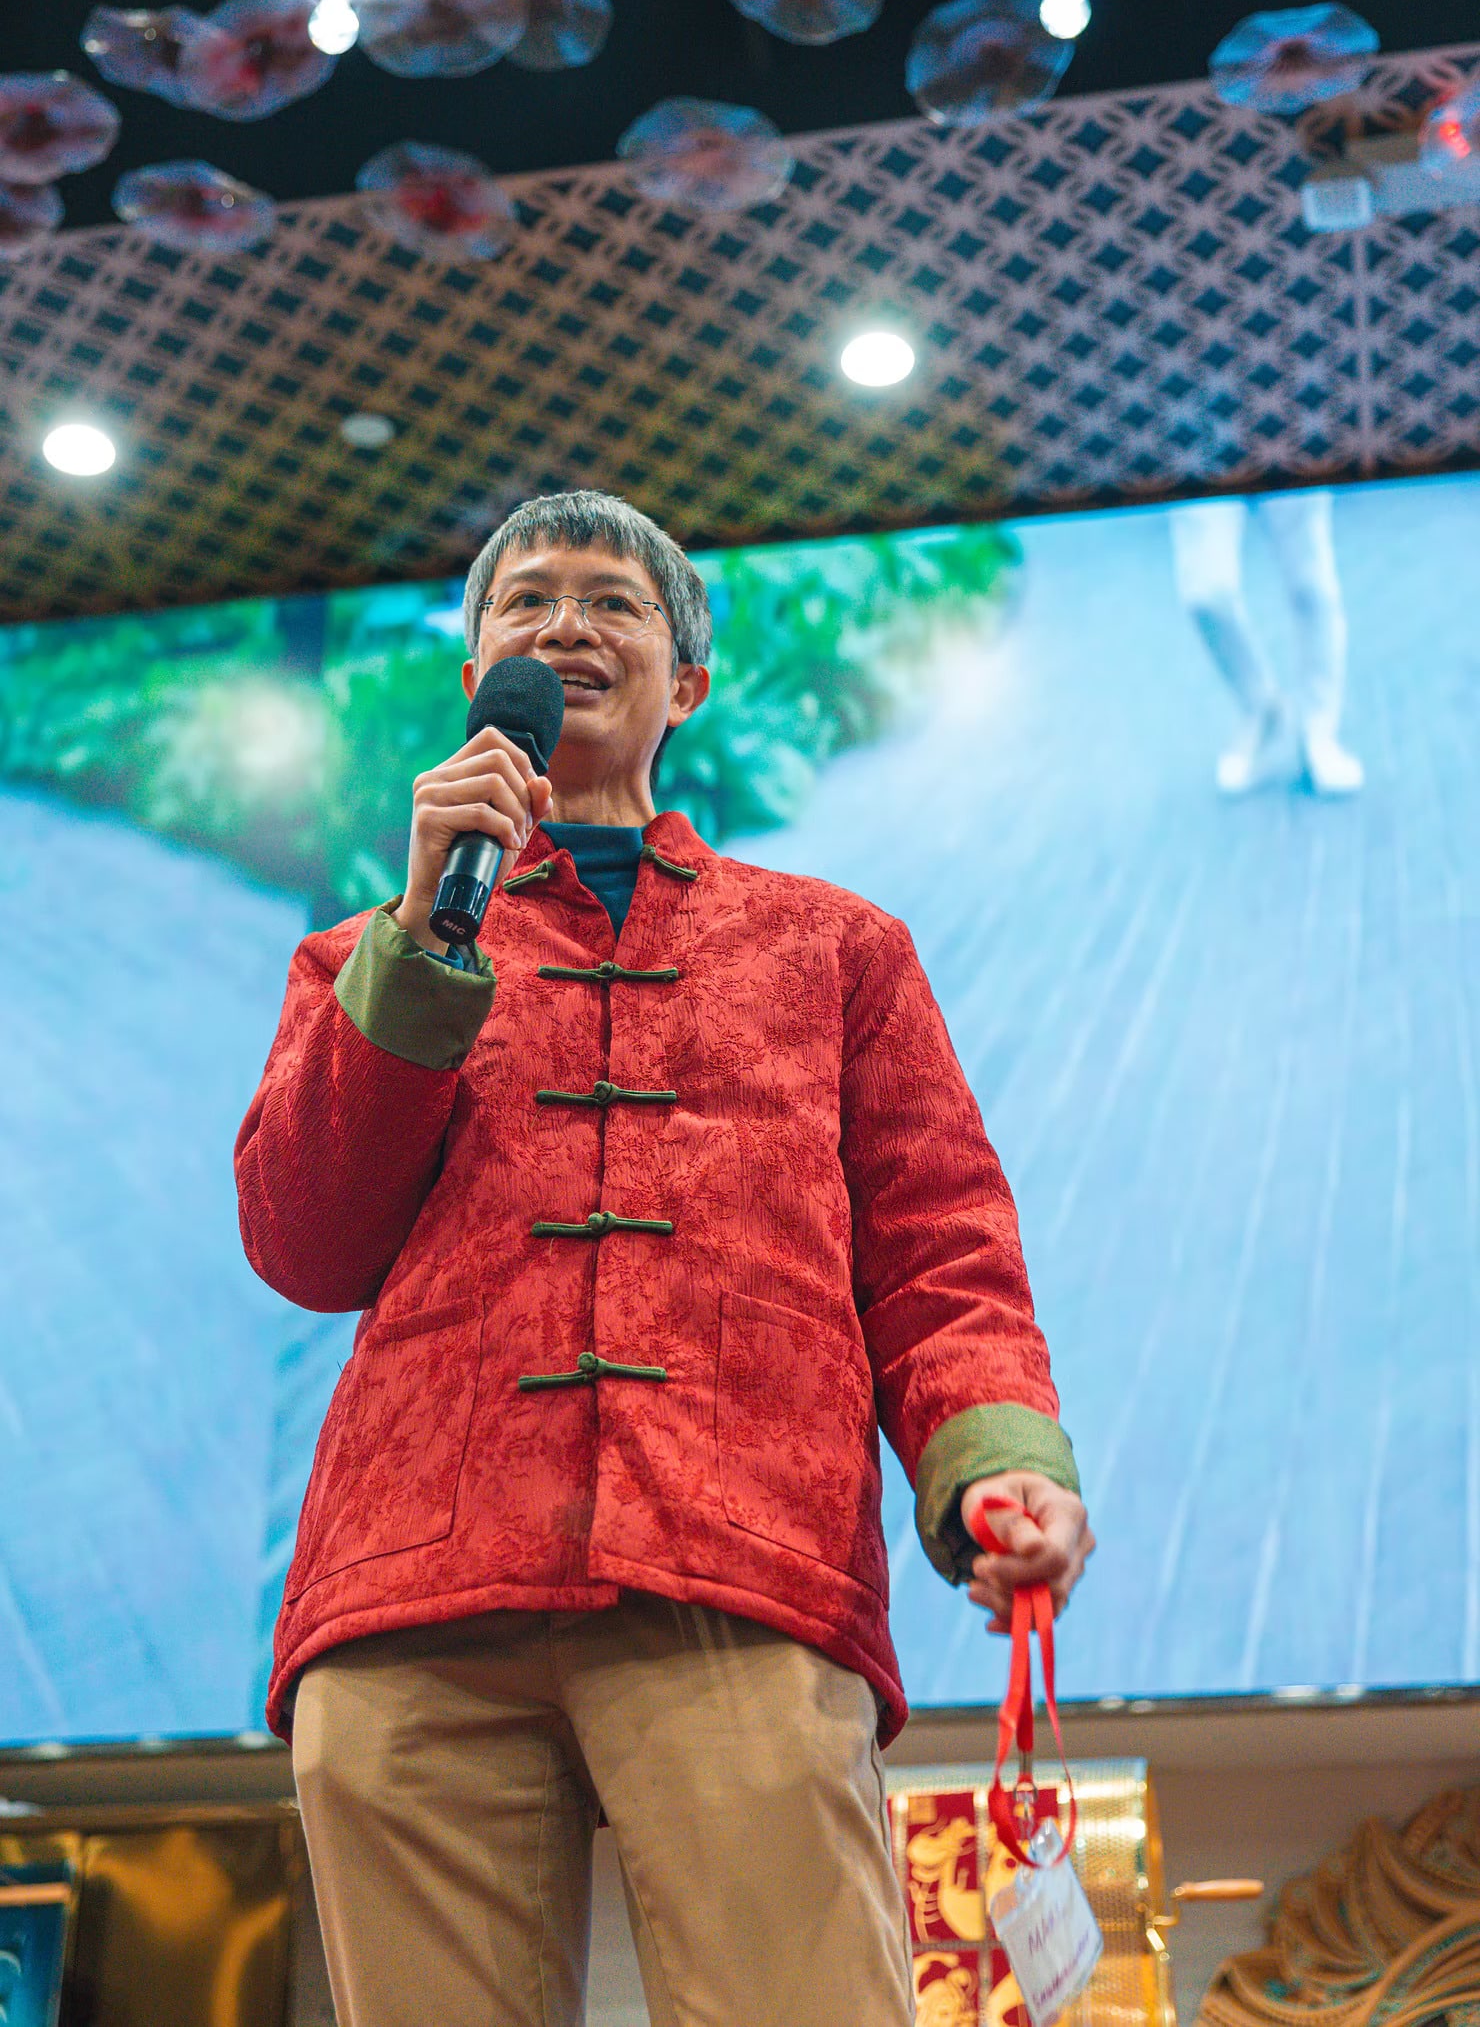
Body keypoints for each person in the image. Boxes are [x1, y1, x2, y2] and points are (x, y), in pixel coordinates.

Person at [235, 489, 1093, 2027]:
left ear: (686, 684)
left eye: (613, 602)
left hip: (741, 1567)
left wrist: (989, 1464)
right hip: (408, 1602)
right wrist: (427, 937)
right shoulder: (369, 951)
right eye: (529, 601)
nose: (566, 623)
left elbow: (943, 1246)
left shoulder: (836, 948)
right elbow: (303, 1240)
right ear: (474, 671)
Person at [1170, 489, 1364, 797]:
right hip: (1204, 444)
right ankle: (1262, 707)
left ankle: (1320, 733)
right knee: (1205, 592)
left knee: (1310, 584)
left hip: (1288, 442)